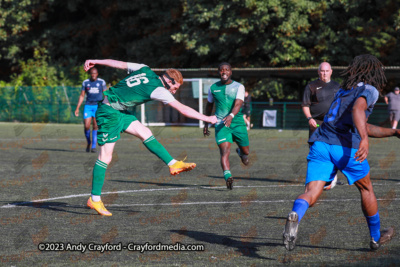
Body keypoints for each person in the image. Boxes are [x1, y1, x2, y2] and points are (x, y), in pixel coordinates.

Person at [283, 54, 395, 251]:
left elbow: (362, 123)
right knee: (366, 188)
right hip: (346, 146)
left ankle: (295, 215)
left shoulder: (343, 90)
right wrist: (365, 139)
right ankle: (376, 238)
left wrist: (393, 132)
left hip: (321, 142)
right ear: (373, 73)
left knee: (311, 192)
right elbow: (358, 113)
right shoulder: (369, 90)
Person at [83, 59, 218, 216]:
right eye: (175, 87)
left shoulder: (145, 69)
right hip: (109, 113)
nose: (174, 91)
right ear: (169, 81)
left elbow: (119, 64)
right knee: (105, 157)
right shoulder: (159, 90)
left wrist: (96, 61)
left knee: (145, 132)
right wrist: (207, 118)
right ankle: (94, 199)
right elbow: (182, 109)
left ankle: (173, 164)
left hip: (120, 112)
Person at [203, 62, 250, 190]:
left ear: (231, 72)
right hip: (221, 124)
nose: (224, 72)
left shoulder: (239, 86)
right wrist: (206, 122)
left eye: (227, 70)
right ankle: (228, 176)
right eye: (221, 70)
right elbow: (209, 106)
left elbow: (238, 104)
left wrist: (231, 116)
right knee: (224, 152)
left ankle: (241, 152)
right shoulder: (213, 88)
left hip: (238, 122)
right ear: (218, 72)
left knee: (246, 153)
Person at [302, 62, 341, 190]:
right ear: (318, 72)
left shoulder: (337, 86)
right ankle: (315, 178)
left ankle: (332, 177)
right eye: (322, 71)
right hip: (316, 122)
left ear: (331, 71)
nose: (324, 73)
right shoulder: (311, 86)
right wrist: (309, 118)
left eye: (326, 71)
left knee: (333, 149)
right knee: (315, 150)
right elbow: (305, 105)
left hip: (333, 123)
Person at [75, 67, 107, 153]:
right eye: (92, 73)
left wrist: (107, 105)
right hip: (88, 106)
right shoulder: (85, 82)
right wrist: (77, 107)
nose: (93, 75)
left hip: (98, 106)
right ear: (90, 74)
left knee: (96, 126)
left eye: (95, 73)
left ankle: (93, 146)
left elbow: (106, 94)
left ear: (97, 74)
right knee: (87, 126)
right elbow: (82, 95)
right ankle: (88, 142)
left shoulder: (101, 82)